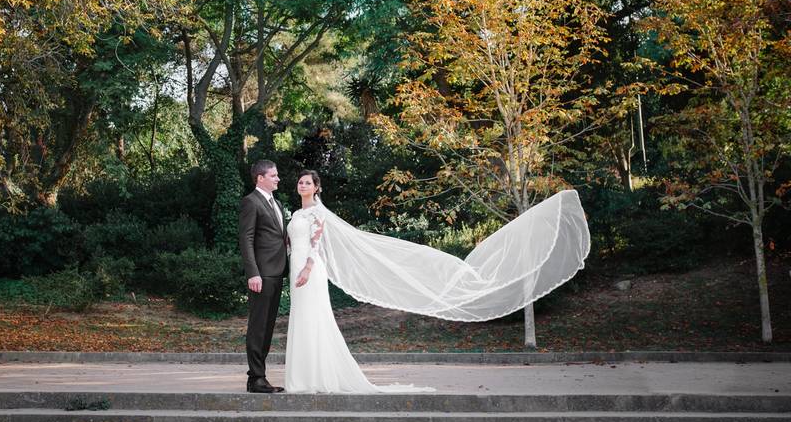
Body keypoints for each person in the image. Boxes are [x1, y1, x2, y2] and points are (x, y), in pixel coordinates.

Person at [284, 169, 590, 394]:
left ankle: (318, 376)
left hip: (309, 271)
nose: (302, 185)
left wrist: (308, 268)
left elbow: (317, 243)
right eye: (300, 182)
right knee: (303, 320)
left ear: (317, 187)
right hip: (295, 266)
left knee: (317, 319)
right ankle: (305, 376)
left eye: (307, 182)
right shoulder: (296, 211)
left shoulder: (318, 213)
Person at [238, 159, 288, 393]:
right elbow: (246, 240)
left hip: (277, 273)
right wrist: (253, 273)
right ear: (260, 178)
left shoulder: (276, 202)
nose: (278, 178)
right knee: (258, 327)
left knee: (267, 328)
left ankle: (258, 378)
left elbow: (279, 237)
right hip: (262, 275)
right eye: (274, 175)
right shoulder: (251, 202)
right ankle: (256, 378)